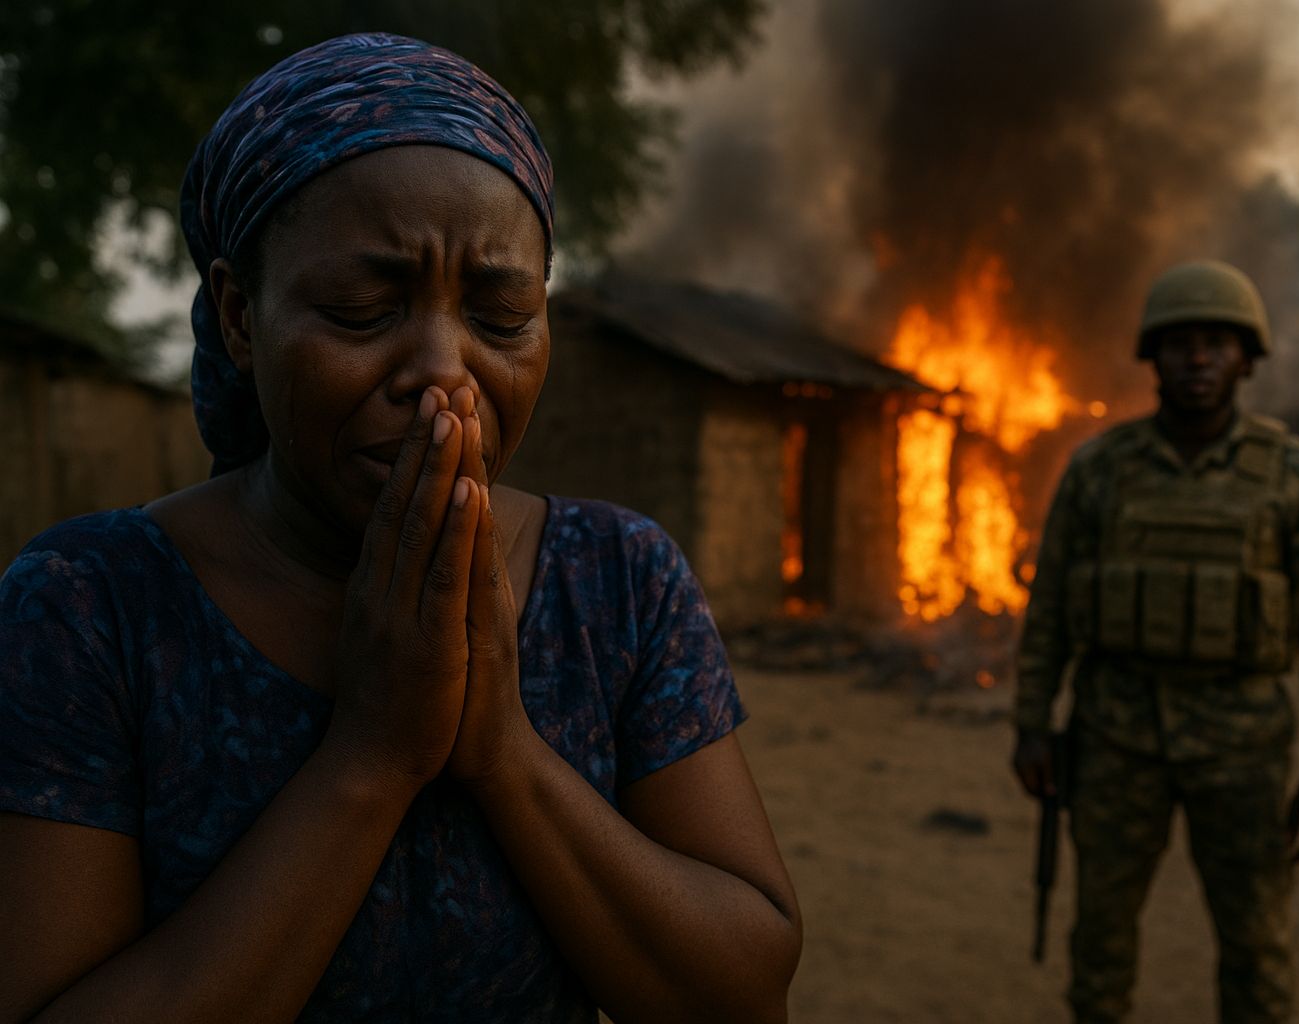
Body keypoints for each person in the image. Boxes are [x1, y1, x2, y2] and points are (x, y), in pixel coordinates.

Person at [0, 34, 800, 1023]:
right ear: (241, 317)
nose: (444, 373)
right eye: (361, 309)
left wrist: (505, 752)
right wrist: (371, 757)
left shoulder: (619, 582)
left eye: (501, 319)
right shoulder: (89, 606)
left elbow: (747, 988)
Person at [1011, 260, 1299, 1024]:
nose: (1198, 359)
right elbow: (1050, 611)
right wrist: (1032, 722)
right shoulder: (1100, 470)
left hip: (1244, 750)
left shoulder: (1296, 476)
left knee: (1256, 947)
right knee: (1101, 944)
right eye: (1179, 343)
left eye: (1217, 343)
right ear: (1152, 357)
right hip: (1115, 738)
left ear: (1247, 359)